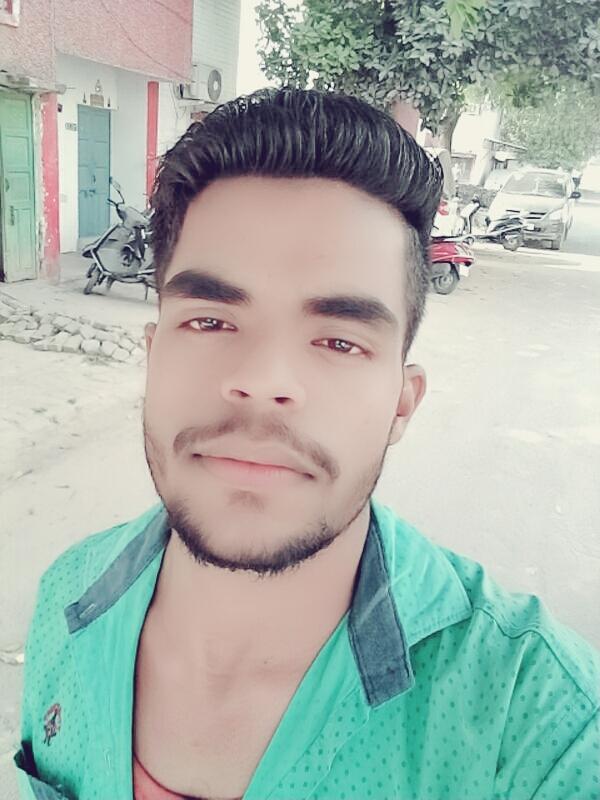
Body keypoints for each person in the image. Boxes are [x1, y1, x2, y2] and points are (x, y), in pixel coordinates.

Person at [15, 88, 599, 800]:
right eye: (209, 321)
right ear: (153, 355)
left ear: (402, 404)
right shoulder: (67, 599)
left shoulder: (538, 724)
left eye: (339, 341)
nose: (262, 382)